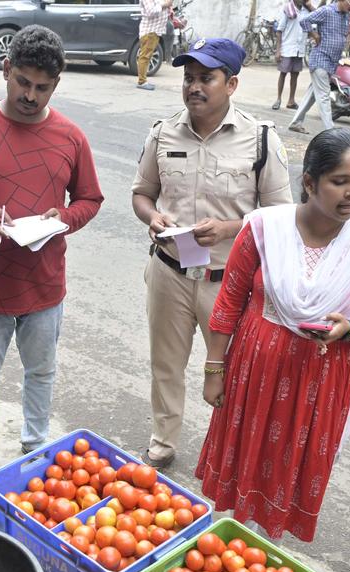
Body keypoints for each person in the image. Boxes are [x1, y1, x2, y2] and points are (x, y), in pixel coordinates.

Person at [196, 128, 350, 541]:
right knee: (247, 456)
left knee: (288, 462)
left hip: (319, 378)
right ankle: (232, 542)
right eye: (339, 181)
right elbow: (229, 301)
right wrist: (214, 368)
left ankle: (259, 550)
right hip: (256, 366)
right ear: (309, 182)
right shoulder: (263, 228)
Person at [0, 26, 103, 494]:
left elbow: (90, 199)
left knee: (41, 372)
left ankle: (35, 445)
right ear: (6, 70)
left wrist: (64, 219)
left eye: (42, 87)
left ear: (56, 85)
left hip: (44, 285)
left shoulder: (71, 138)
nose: (30, 96)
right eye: (22, 83)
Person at [132, 38, 294, 469]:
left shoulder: (259, 140)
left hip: (229, 283)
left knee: (231, 374)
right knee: (165, 365)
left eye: (207, 78)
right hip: (168, 272)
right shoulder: (162, 133)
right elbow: (141, 194)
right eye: (189, 78)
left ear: (232, 83)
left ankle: (230, 454)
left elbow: (282, 216)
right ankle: (162, 444)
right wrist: (151, 217)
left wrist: (229, 229)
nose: (194, 87)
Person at [287, 0, 350, 134]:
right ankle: (331, 131)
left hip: (331, 62)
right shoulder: (327, 11)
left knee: (313, 94)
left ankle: (295, 123)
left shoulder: (346, 15)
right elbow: (304, 20)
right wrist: (314, 34)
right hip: (320, 58)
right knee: (324, 95)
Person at [273, 0, 313, 111]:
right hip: (287, 47)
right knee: (283, 74)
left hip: (299, 49)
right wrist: (278, 50)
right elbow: (279, 31)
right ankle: (278, 99)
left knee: (295, 75)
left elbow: (312, 22)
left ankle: (291, 101)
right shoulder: (288, 9)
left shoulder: (306, 11)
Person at [136, 0, 173, 91]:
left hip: (155, 31)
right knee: (145, 56)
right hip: (149, 31)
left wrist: (169, 8)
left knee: (147, 56)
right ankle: (142, 82)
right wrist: (165, 4)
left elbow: (163, 9)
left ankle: (143, 80)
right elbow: (150, 11)